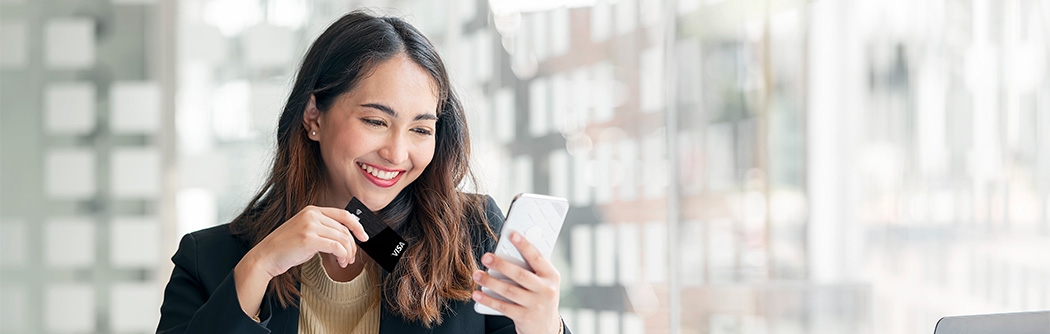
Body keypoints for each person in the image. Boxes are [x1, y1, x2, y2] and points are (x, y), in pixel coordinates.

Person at [157, 10, 571, 334]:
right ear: (314, 115)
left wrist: (543, 328)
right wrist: (259, 266)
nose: (396, 152)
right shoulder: (209, 260)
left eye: (421, 129)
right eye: (375, 121)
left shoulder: (470, 238)